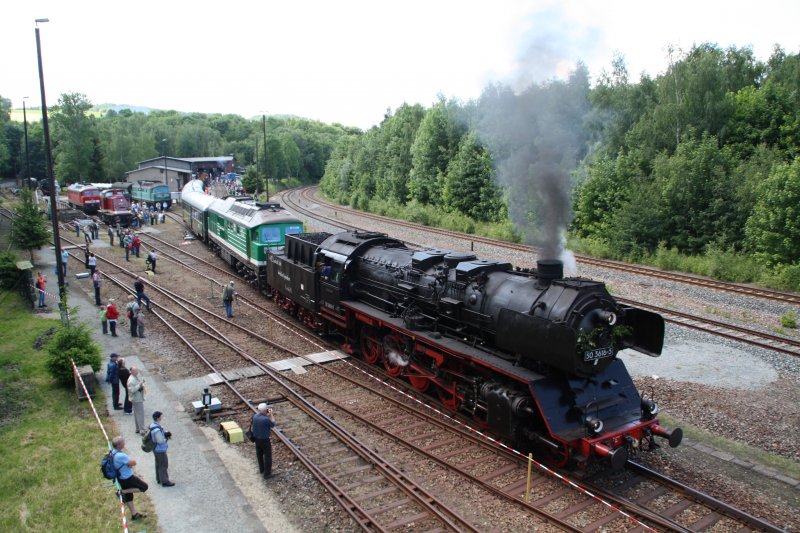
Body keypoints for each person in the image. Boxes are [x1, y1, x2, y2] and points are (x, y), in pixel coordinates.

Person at [110, 435, 149, 521]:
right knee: (144, 487)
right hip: (127, 477)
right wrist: (133, 461)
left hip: (121, 477)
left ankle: (134, 514)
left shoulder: (113, 452)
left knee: (129, 496)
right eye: (123, 441)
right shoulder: (121, 455)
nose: (124, 442)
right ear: (119, 444)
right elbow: (132, 462)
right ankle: (122, 492)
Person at [148, 411, 174, 486]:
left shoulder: (152, 425)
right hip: (160, 449)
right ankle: (165, 481)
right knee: (163, 465)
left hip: (155, 449)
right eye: (161, 416)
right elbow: (160, 441)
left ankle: (159, 478)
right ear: (158, 417)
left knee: (158, 464)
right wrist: (166, 437)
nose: (161, 417)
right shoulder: (157, 430)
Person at [252, 403, 276, 479]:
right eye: (266, 410)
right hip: (265, 440)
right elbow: (273, 424)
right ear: (264, 410)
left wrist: (266, 415)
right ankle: (267, 474)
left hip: (256, 439)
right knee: (267, 456)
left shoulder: (255, 416)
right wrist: (271, 414)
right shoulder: (265, 419)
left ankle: (262, 469)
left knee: (259, 455)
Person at [127, 367, 146, 434]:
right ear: (132, 371)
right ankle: (142, 429)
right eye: (135, 371)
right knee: (140, 414)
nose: (137, 372)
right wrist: (140, 384)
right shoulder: (131, 380)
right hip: (136, 399)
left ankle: (138, 428)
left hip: (137, 398)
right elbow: (132, 390)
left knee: (136, 414)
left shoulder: (134, 377)